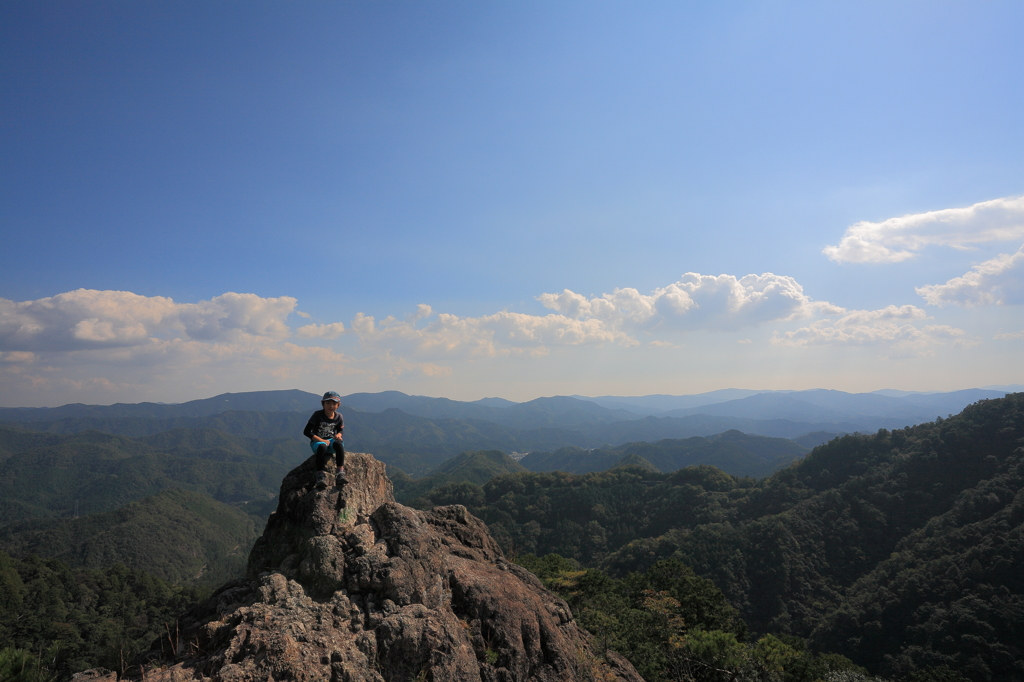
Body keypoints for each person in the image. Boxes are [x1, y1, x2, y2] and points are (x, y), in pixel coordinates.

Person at [304, 391, 346, 486]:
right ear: (323, 404)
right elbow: (306, 431)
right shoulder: (317, 415)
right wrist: (322, 440)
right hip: (317, 442)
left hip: (330, 441)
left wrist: (339, 434)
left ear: (338, 405)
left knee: (339, 444)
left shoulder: (339, 416)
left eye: (334, 403)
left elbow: (340, 430)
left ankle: (340, 473)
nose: (331, 406)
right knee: (322, 447)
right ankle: (320, 475)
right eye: (328, 403)